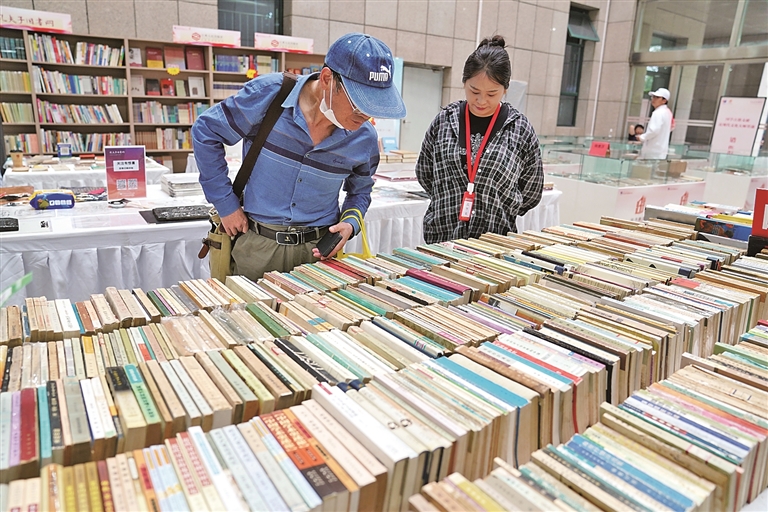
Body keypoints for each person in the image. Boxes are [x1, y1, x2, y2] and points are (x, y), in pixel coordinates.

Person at [192, 33, 406, 279]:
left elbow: (361, 191)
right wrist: (226, 204)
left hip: (319, 253)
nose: (365, 116)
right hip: (257, 246)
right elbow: (206, 131)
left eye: (374, 107)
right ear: (327, 79)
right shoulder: (269, 95)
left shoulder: (364, 138)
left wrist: (350, 223)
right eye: (359, 103)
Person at [415, 36, 543, 244]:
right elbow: (425, 173)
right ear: (464, 82)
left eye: (492, 94)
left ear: (505, 89)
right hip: (442, 237)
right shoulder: (444, 121)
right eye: (474, 91)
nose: (481, 101)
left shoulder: (520, 129)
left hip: (494, 241)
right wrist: (449, 196)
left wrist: (501, 204)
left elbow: (531, 191)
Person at [637, 88, 673, 159]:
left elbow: (654, 130)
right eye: (653, 97)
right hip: (661, 151)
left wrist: (642, 137)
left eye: (657, 97)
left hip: (652, 151)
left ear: (664, 100)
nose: (654, 99)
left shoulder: (658, 113)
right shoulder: (667, 112)